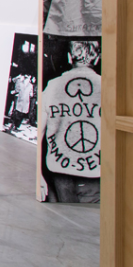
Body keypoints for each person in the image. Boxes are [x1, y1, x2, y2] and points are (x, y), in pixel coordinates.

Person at [41, 40, 102, 203]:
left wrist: (38, 175)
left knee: (63, 216)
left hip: (59, 172)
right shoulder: (108, 87)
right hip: (95, 172)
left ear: (69, 57)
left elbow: (39, 131)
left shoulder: (52, 86)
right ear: (97, 58)